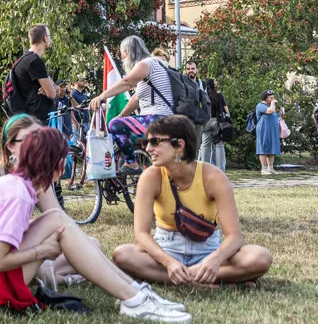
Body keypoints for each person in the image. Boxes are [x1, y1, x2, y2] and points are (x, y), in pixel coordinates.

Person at [0, 126, 191, 323]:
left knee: (56, 219)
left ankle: (134, 292)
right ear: (54, 163)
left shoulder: (20, 185)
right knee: (58, 223)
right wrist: (41, 252)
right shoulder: (16, 194)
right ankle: (134, 298)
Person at [112, 115, 272, 287]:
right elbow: (141, 234)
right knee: (122, 254)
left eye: (155, 142)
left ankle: (180, 278)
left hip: (207, 250)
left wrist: (215, 259)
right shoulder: (150, 177)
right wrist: (169, 263)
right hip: (165, 250)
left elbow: (234, 236)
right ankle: (208, 281)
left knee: (260, 257)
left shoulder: (213, 177)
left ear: (179, 145)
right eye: (146, 143)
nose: (149, 148)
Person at [0, 114, 99, 286]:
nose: (38, 145)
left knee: (93, 245)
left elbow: (58, 217)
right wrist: (40, 247)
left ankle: (51, 275)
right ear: (11, 146)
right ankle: (57, 277)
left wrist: (79, 243)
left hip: (17, 247)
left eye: (40, 138)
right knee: (81, 253)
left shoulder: (37, 174)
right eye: (29, 140)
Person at [89, 35, 173, 171]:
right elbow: (136, 98)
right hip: (167, 118)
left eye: (122, 53)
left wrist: (101, 96)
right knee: (120, 122)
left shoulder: (145, 64)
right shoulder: (156, 64)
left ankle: (131, 163)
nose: (122, 58)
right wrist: (121, 115)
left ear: (127, 51)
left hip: (157, 119)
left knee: (115, 126)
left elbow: (127, 83)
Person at [11, 24, 56, 124]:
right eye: (49, 36)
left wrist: (50, 86)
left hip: (29, 119)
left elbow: (53, 89)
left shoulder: (24, 59)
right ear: (44, 38)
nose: (50, 39)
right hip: (37, 120)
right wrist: (50, 86)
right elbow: (52, 93)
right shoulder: (34, 61)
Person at [200, 79, 229, 170]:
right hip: (218, 122)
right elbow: (226, 110)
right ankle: (220, 169)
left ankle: (205, 168)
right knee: (219, 145)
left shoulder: (203, 96)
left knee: (205, 144)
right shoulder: (219, 96)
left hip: (206, 121)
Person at [255, 90, 282, 175]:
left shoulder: (270, 106)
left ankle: (271, 168)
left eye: (273, 97)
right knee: (263, 148)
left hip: (272, 131)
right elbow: (270, 111)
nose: (273, 99)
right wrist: (273, 103)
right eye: (271, 98)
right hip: (263, 130)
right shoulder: (261, 106)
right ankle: (264, 169)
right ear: (265, 98)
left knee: (272, 149)